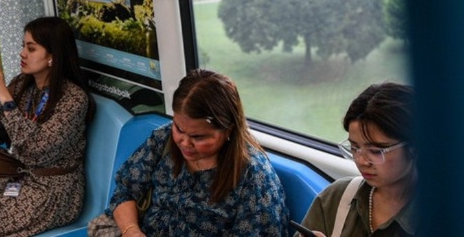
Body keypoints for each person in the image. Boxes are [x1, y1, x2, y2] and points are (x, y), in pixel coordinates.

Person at [88, 68, 288, 237]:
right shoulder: (163, 138)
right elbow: (125, 190)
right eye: (179, 128)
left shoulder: (254, 177)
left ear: (227, 131)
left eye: (198, 137)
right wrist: (132, 231)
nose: (184, 142)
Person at [0, 17, 95, 237]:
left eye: (31, 48)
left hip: (52, 189)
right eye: (23, 47)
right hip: (16, 176)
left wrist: (5, 98)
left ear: (52, 57)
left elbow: (37, 150)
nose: (22, 54)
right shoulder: (22, 85)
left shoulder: (74, 99)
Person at [299, 83, 416, 237]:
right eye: (354, 148)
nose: (361, 161)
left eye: (376, 151)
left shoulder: (446, 217)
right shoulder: (337, 198)